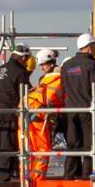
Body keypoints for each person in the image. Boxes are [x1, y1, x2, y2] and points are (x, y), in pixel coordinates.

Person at [59, 31, 95, 178]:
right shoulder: (90, 63)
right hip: (87, 109)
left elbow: (64, 88)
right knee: (90, 145)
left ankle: (69, 176)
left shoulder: (66, 65)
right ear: (89, 47)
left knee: (73, 145)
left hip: (71, 110)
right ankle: (87, 177)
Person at [0, 46, 34, 181]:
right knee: (8, 145)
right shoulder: (20, 72)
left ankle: (1, 173)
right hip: (9, 113)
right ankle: (5, 176)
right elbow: (25, 92)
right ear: (23, 57)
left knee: (0, 145)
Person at [25, 49, 65, 180]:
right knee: (40, 149)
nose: (41, 68)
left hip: (44, 116)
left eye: (43, 65)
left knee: (38, 149)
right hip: (42, 116)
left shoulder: (56, 78)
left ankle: (34, 178)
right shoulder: (49, 79)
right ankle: (36, 178)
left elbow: (53, 98)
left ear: (51, 63)